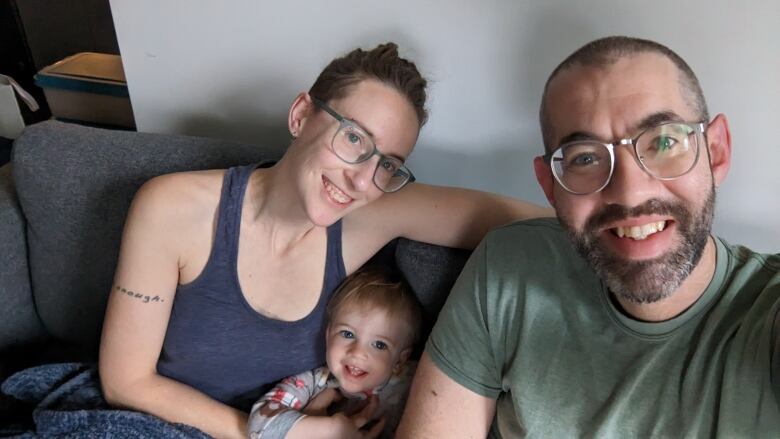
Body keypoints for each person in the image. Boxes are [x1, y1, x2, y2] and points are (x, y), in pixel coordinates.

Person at [98, 42, 551, 439]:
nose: (361, 179)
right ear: (300, 115)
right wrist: (281, 434)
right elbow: (125, 382)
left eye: (387, 164)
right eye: (353, 137)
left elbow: (512, 219)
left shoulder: (370, 214)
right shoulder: (172, 208)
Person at [397, 36, 780, 437]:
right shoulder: (508, 269)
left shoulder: (766, 311)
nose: (630, 192)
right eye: (586, 158)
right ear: (550, 186)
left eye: (664, 141)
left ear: (715, 151)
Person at [247, 267, 421, 439]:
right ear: (328, 335)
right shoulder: (315, 381)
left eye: (379, 344)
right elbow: (257, 425)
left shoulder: (414, 385)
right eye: (348, 334)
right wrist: (331, 430)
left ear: (400, 360)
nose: (358, 352)